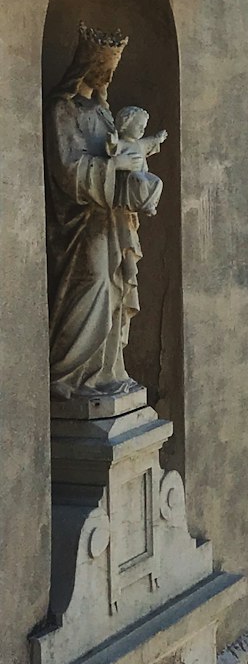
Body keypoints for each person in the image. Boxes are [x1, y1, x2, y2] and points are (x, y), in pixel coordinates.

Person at [45, 24, 161, 400]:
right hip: (80, 225)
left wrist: (133, 169)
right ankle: (73, 377)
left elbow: (123, 150)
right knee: (93, 283)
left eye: (111, 70)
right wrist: (116, 167)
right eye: (102, 68)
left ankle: (108, 374)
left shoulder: (103, 112)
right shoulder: (63, 109)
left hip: (111, 221)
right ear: (86, 65)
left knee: (113, 288)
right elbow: (68, 170)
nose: (107, 76)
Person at [113, 106, 167, 216]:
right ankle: (144, 205)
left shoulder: (139, 144)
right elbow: (112, 148)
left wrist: (158, 139)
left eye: (144, 127)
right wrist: (111, 142)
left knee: (157, 182)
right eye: (139, 126)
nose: (142, 130)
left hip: (142, 172)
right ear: (125, 124)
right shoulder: (122, 144)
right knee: (141, 182)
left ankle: (150, 203)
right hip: (130, 176)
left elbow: (149, 142)